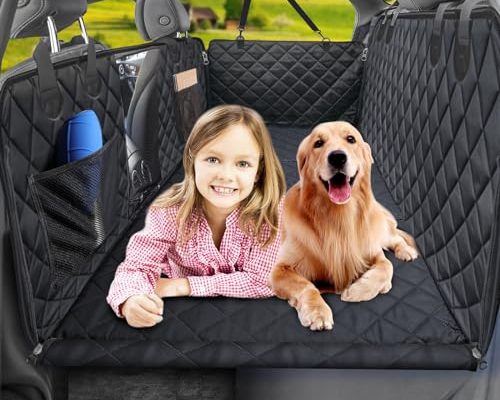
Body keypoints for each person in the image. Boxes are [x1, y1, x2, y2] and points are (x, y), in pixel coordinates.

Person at [107, 105, 286, 328]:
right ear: (192, 160)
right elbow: (136, 267)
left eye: (242, 164)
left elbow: (264, 280)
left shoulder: (272, 212)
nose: (226, 176)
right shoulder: (169, 211)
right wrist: (129, 301)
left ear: (258, 172)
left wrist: (183, 286)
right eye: (213, 159)